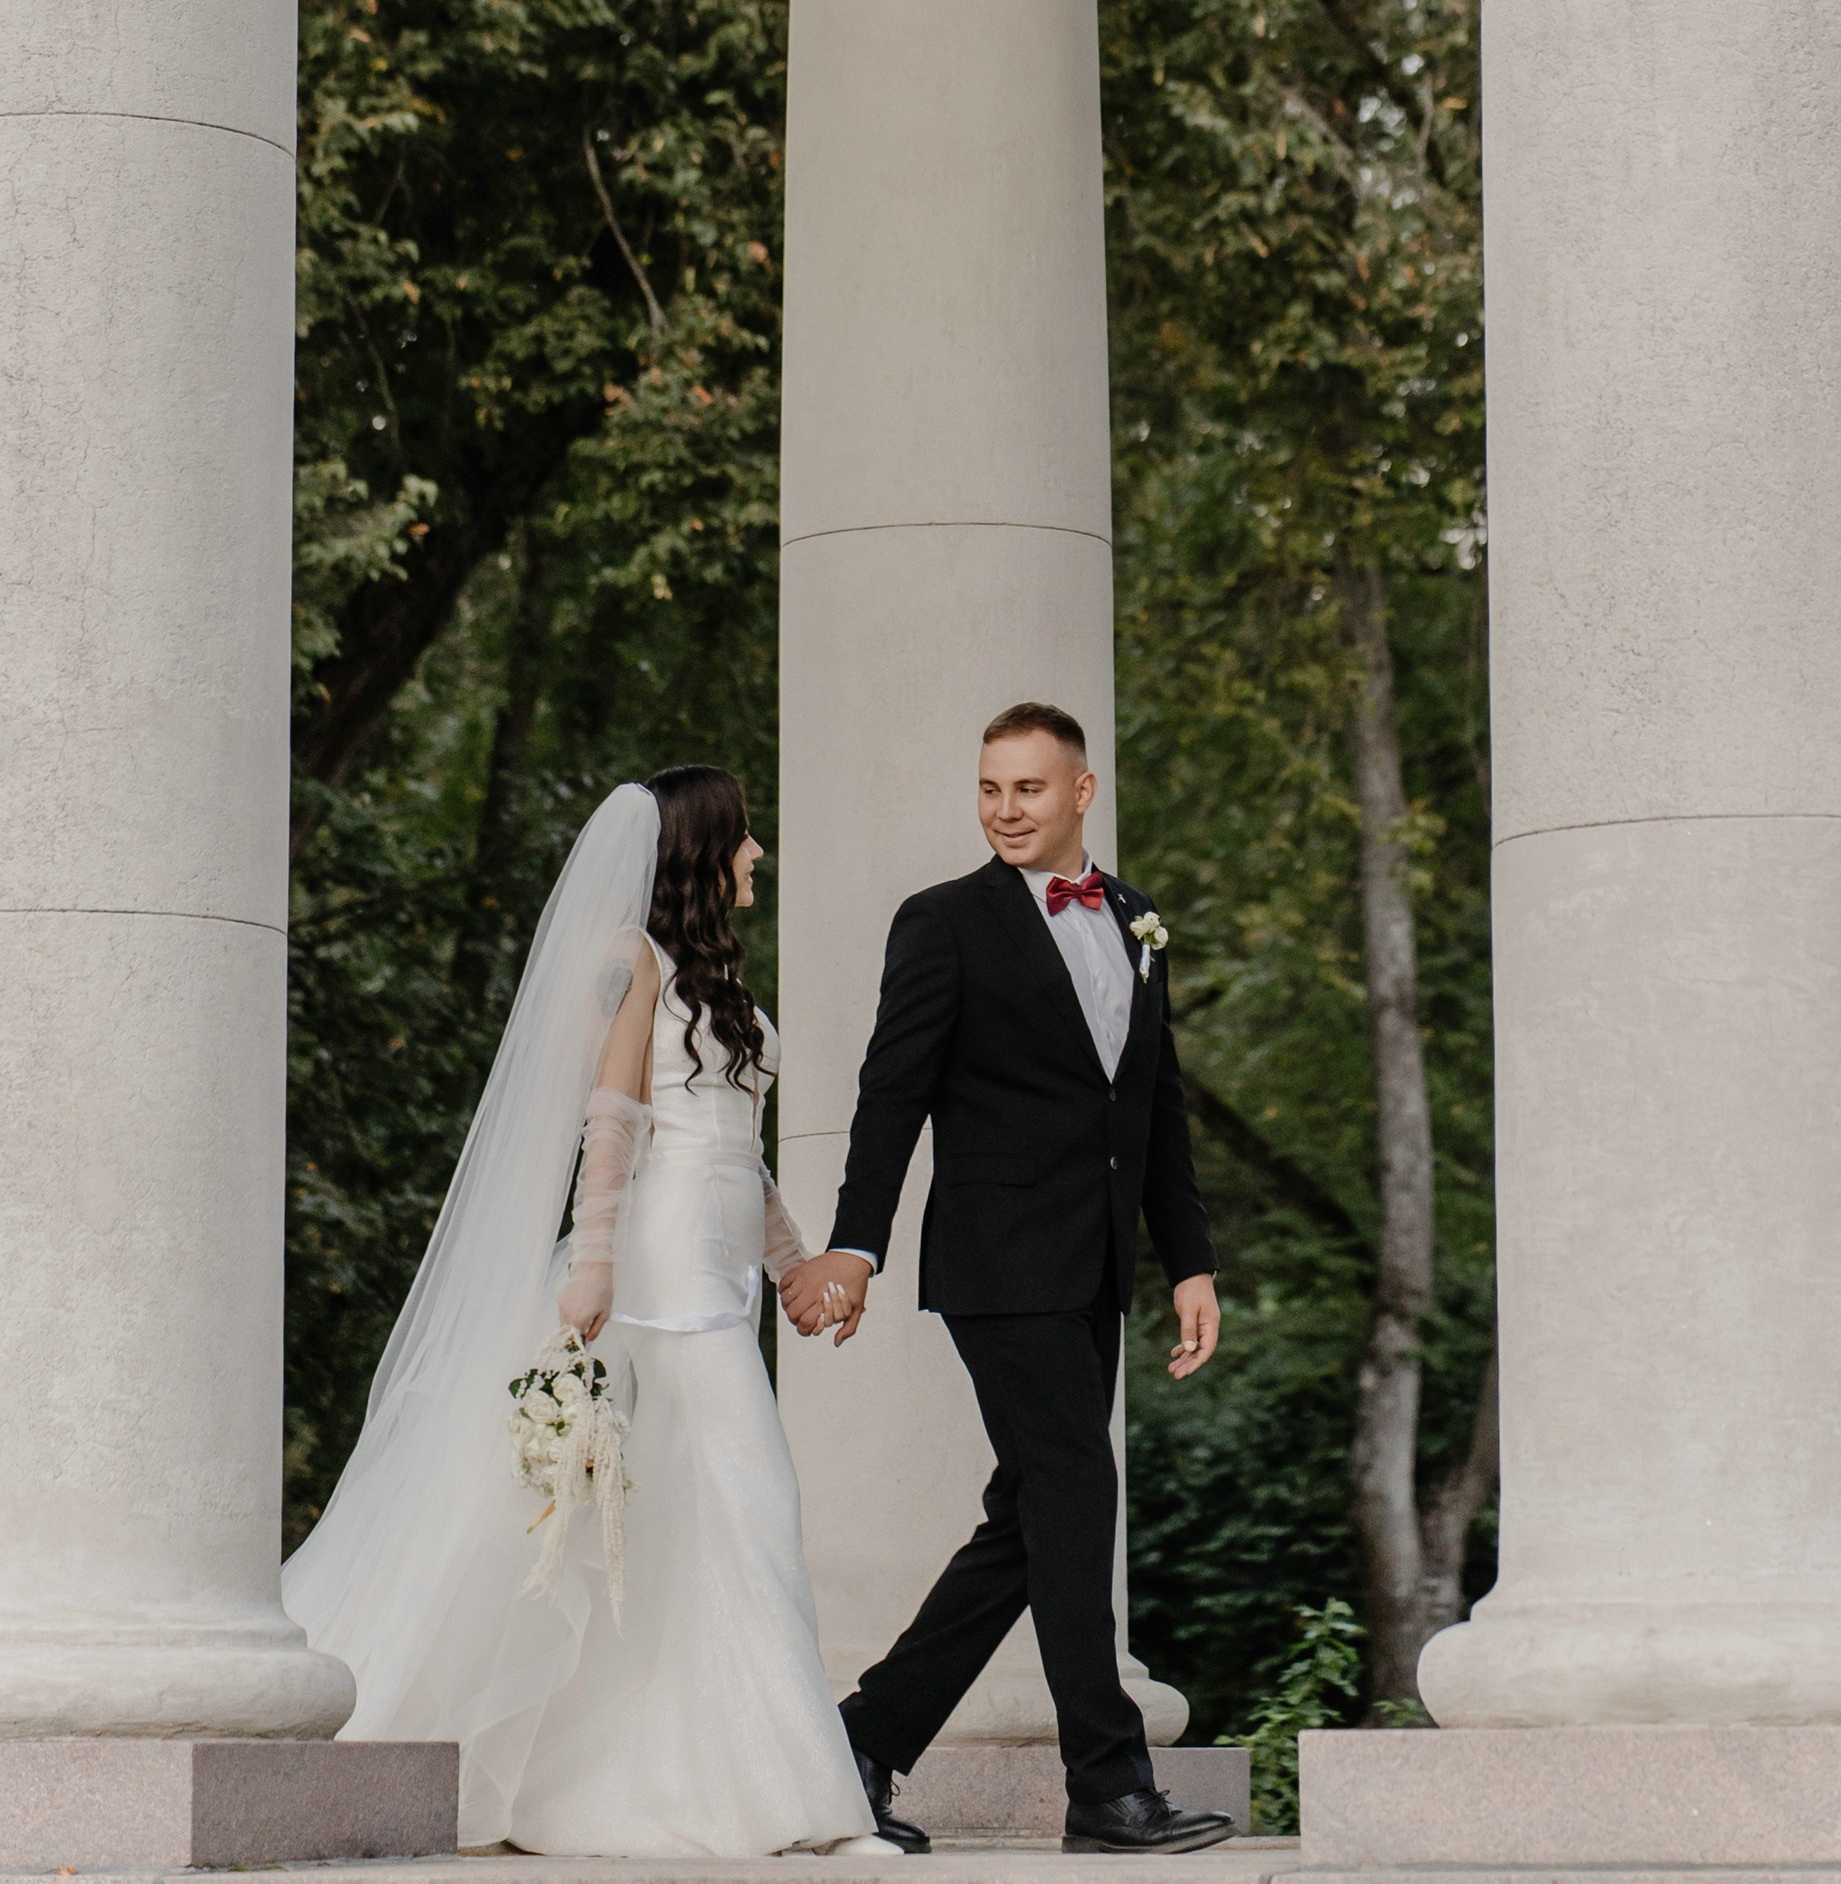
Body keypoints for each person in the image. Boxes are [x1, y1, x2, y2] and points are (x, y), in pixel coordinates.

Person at [283, 770, 893, 1860]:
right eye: (746, 836)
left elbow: (731, 1155)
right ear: (704, 851)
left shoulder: (722, 988)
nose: (759, 854)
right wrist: (594, 1263)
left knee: (697, 1525)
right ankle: (804, 1803)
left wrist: (798, 1268)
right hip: (654, 1279)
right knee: (751, 1502)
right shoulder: (633, 964)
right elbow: (609, 1120)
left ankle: (711, 1780)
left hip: (722, 1281)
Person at [779, 703, 1233, 1858]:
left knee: (1034, 1514)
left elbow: (1153, 1104)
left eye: (1027, 789)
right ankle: (1107, 1782)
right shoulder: (941, 923)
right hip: (997, 1257)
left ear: (1081, 792)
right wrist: (854, 1243)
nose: (1004, 810)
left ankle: (863, 1743)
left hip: (1097, 1267)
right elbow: (893, 1094)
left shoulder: (1133, 919)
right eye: (989, 789)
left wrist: (1190, 1260)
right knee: (1075, 1489)